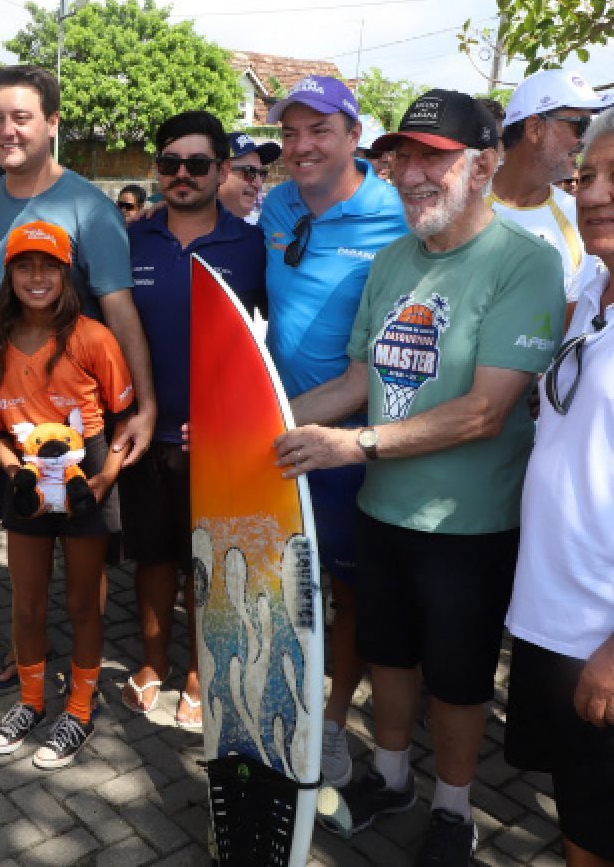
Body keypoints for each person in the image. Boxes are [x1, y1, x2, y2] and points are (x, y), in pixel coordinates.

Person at [275, 89, 564, 865]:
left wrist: (354, 446)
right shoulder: (394, 261)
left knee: (460, 680)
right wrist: (268, 424)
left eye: (433, 159)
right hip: (383, 511)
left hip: (469, 525)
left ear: (485, 164)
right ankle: (394, 779)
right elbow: (358, 377)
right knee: (390, 657)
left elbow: (486, 412)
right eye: (403, 157)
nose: (410, 175)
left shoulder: (524, 263)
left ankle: (453, 810)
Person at [0, 63, 157, 688]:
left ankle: (81, 671)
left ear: (51, 123)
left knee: (83, 563)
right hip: (12, 411)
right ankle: (31, 655)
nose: (8, 130)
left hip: (78, 418)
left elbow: (120, 308)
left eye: (21, 117)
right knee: (27, 562)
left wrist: (144, 408)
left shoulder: (89, 207)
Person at [259, 74, 407, 788]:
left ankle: (334, 719)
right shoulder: (277, 204)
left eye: (319, 130)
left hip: (351, 439)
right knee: (284, 581)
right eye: (290, 133)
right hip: (278, 433)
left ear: (354, 135)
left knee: (347, 594)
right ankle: (278, 703)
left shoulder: (397, 215)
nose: (302, 146)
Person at [119, 111, 266, 731]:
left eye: (198, 164)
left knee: (208, 563)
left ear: (222, 170)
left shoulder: (251, 246)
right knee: (153, 558)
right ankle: (153, 662)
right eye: (170, 163)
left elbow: (270, 344)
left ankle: (201, 673)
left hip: (222, 442)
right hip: (146, 435)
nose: (182, 174)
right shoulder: (132, 240)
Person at [0, 220, 134, 769]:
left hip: (86, 475)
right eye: (25, 266)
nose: (37, 277)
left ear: (66, 275)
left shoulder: (93, 337)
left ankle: (81, 709)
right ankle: (31, 701)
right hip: (24, 478)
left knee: (84, 601)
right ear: (10, 274)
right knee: (27, 601)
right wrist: (16, 473)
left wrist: (105, 478)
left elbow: (123, 419)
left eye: (49, 266)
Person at [504, 108, 614, 867]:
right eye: (588, 175)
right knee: (578, 811)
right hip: (554, 616)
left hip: (600, 636)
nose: (595, 194)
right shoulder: (595, 282)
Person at [490, 69, 604, 322]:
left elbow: (569, 323)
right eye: (580, 126)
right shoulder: (463, 202)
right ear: (534, 128)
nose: (585, 141)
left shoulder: (577, 216)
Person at [217, 131, 280, 222]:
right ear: (219, 173)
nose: (258, 183)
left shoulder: (260, 226)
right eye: (250, 172)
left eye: (261, 174)